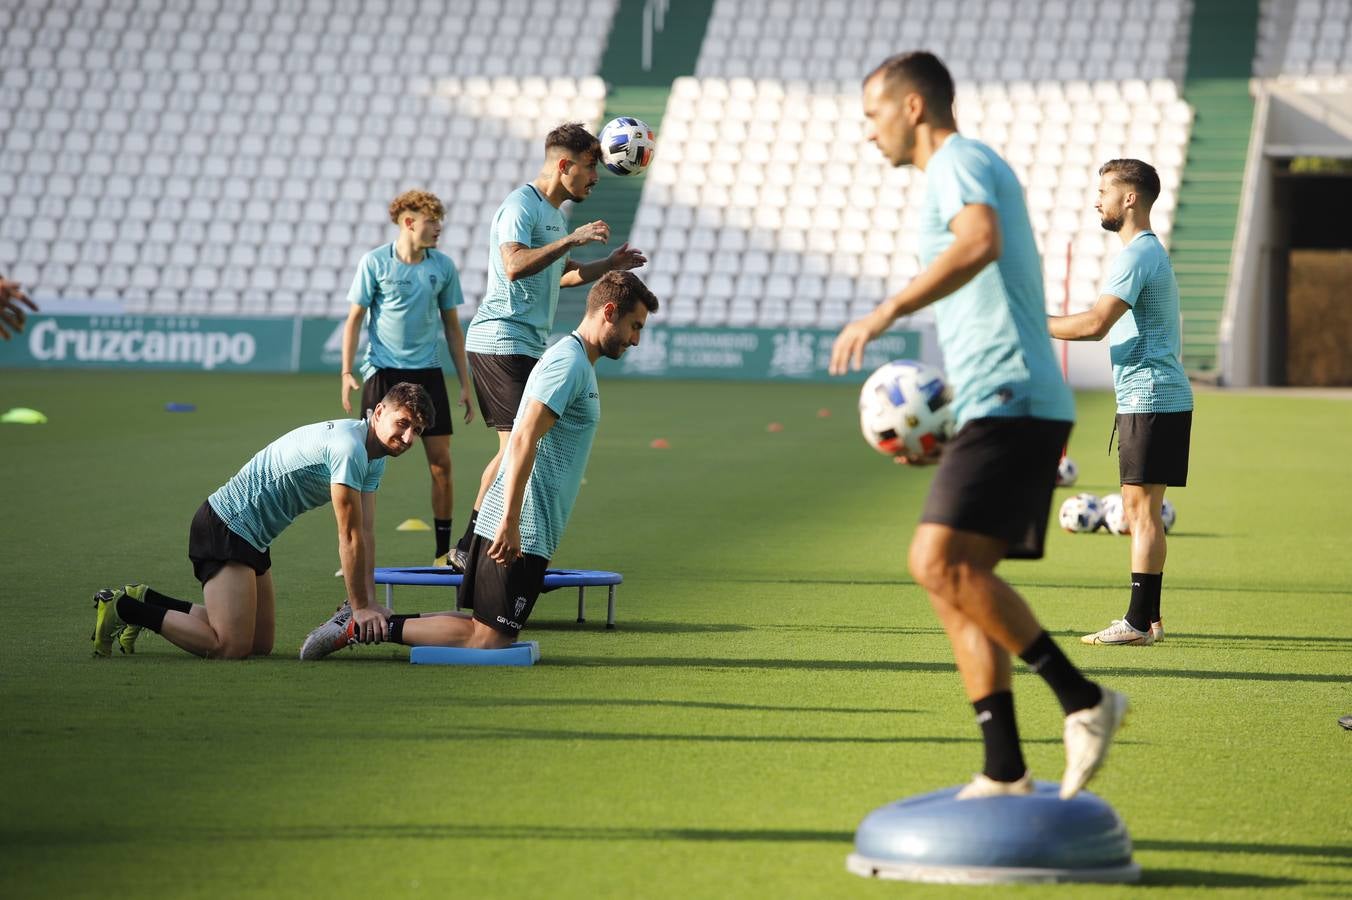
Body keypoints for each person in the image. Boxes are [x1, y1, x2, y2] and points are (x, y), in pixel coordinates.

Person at [829, 51, 1126, 800]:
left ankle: (1084, 699)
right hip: (997, 400)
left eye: (873, 115)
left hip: (1014, 397)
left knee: (936, 564)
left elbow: (979, 240)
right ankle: (1005, 770)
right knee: (957, 582)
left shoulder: (955, 161)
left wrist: (888, 309)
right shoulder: (963, 164)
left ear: (913, 108)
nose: (869, 133)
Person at [299, 271, 657, 659]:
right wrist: (511, 520)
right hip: (522, 524)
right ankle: (357, 626)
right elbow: (521, 439)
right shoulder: (567, 364)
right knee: (490, 638)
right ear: (609, 311)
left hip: (523, 522)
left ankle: (364, 621)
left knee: (486, 629)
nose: (635, 339)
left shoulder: (574, 362)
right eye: (634, 326)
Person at [89, 383, 435, 660]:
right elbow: (349, 535)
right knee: (230, 647)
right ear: (379, 412)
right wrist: (358, 608)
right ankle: (125, 608)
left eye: (416, 431)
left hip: (254, 538)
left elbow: (368, 532)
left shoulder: (374, 457)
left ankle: (147, 598)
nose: (407, 439)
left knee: (258, 643)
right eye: (402, 424)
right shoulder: (349, 449)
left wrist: (370, 601)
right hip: (226, 527)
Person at [447, 123, 647, 572]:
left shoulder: (553, 215)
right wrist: (571, 240)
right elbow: (515, 265)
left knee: (524, 442)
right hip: (501, 337)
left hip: (525, 341)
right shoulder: (521, 206)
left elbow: (561, 272)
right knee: (515, 444)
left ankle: (476, 543)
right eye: (591, 167)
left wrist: (607, 264)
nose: (596, 177)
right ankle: (470, 546)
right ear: (564, 165)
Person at [1047, 159, 1193, 647]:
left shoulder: (1136, 256)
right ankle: (1148, 617)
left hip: (1150, 395)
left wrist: (1030, 320)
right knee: (1140, 507)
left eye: (1105, 190)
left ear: (1130, 198)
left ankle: (1135, 623)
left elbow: (1094, 325)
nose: (1098, 200)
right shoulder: (1145, 252)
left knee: (1142, 511)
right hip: (1149, 395)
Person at [340, 190, 474, 566]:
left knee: (441, 464)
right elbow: (354, 319)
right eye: (432, 222)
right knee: (363, 466)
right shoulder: (375, 262)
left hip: (428, 375)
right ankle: (356, 551)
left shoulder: (443, 266)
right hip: (383, 374)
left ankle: (443, 553)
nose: (439, 229)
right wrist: (347, 372)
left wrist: (464, 382)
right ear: (409, 223)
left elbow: (452, 328)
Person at [0, 274, 37, 340]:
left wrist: (31, 305)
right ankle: (7, 332)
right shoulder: (5, 286)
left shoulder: (6, 288)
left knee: (18, 314)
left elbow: (18, 295)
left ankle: (14, 328)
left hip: (5, 306)